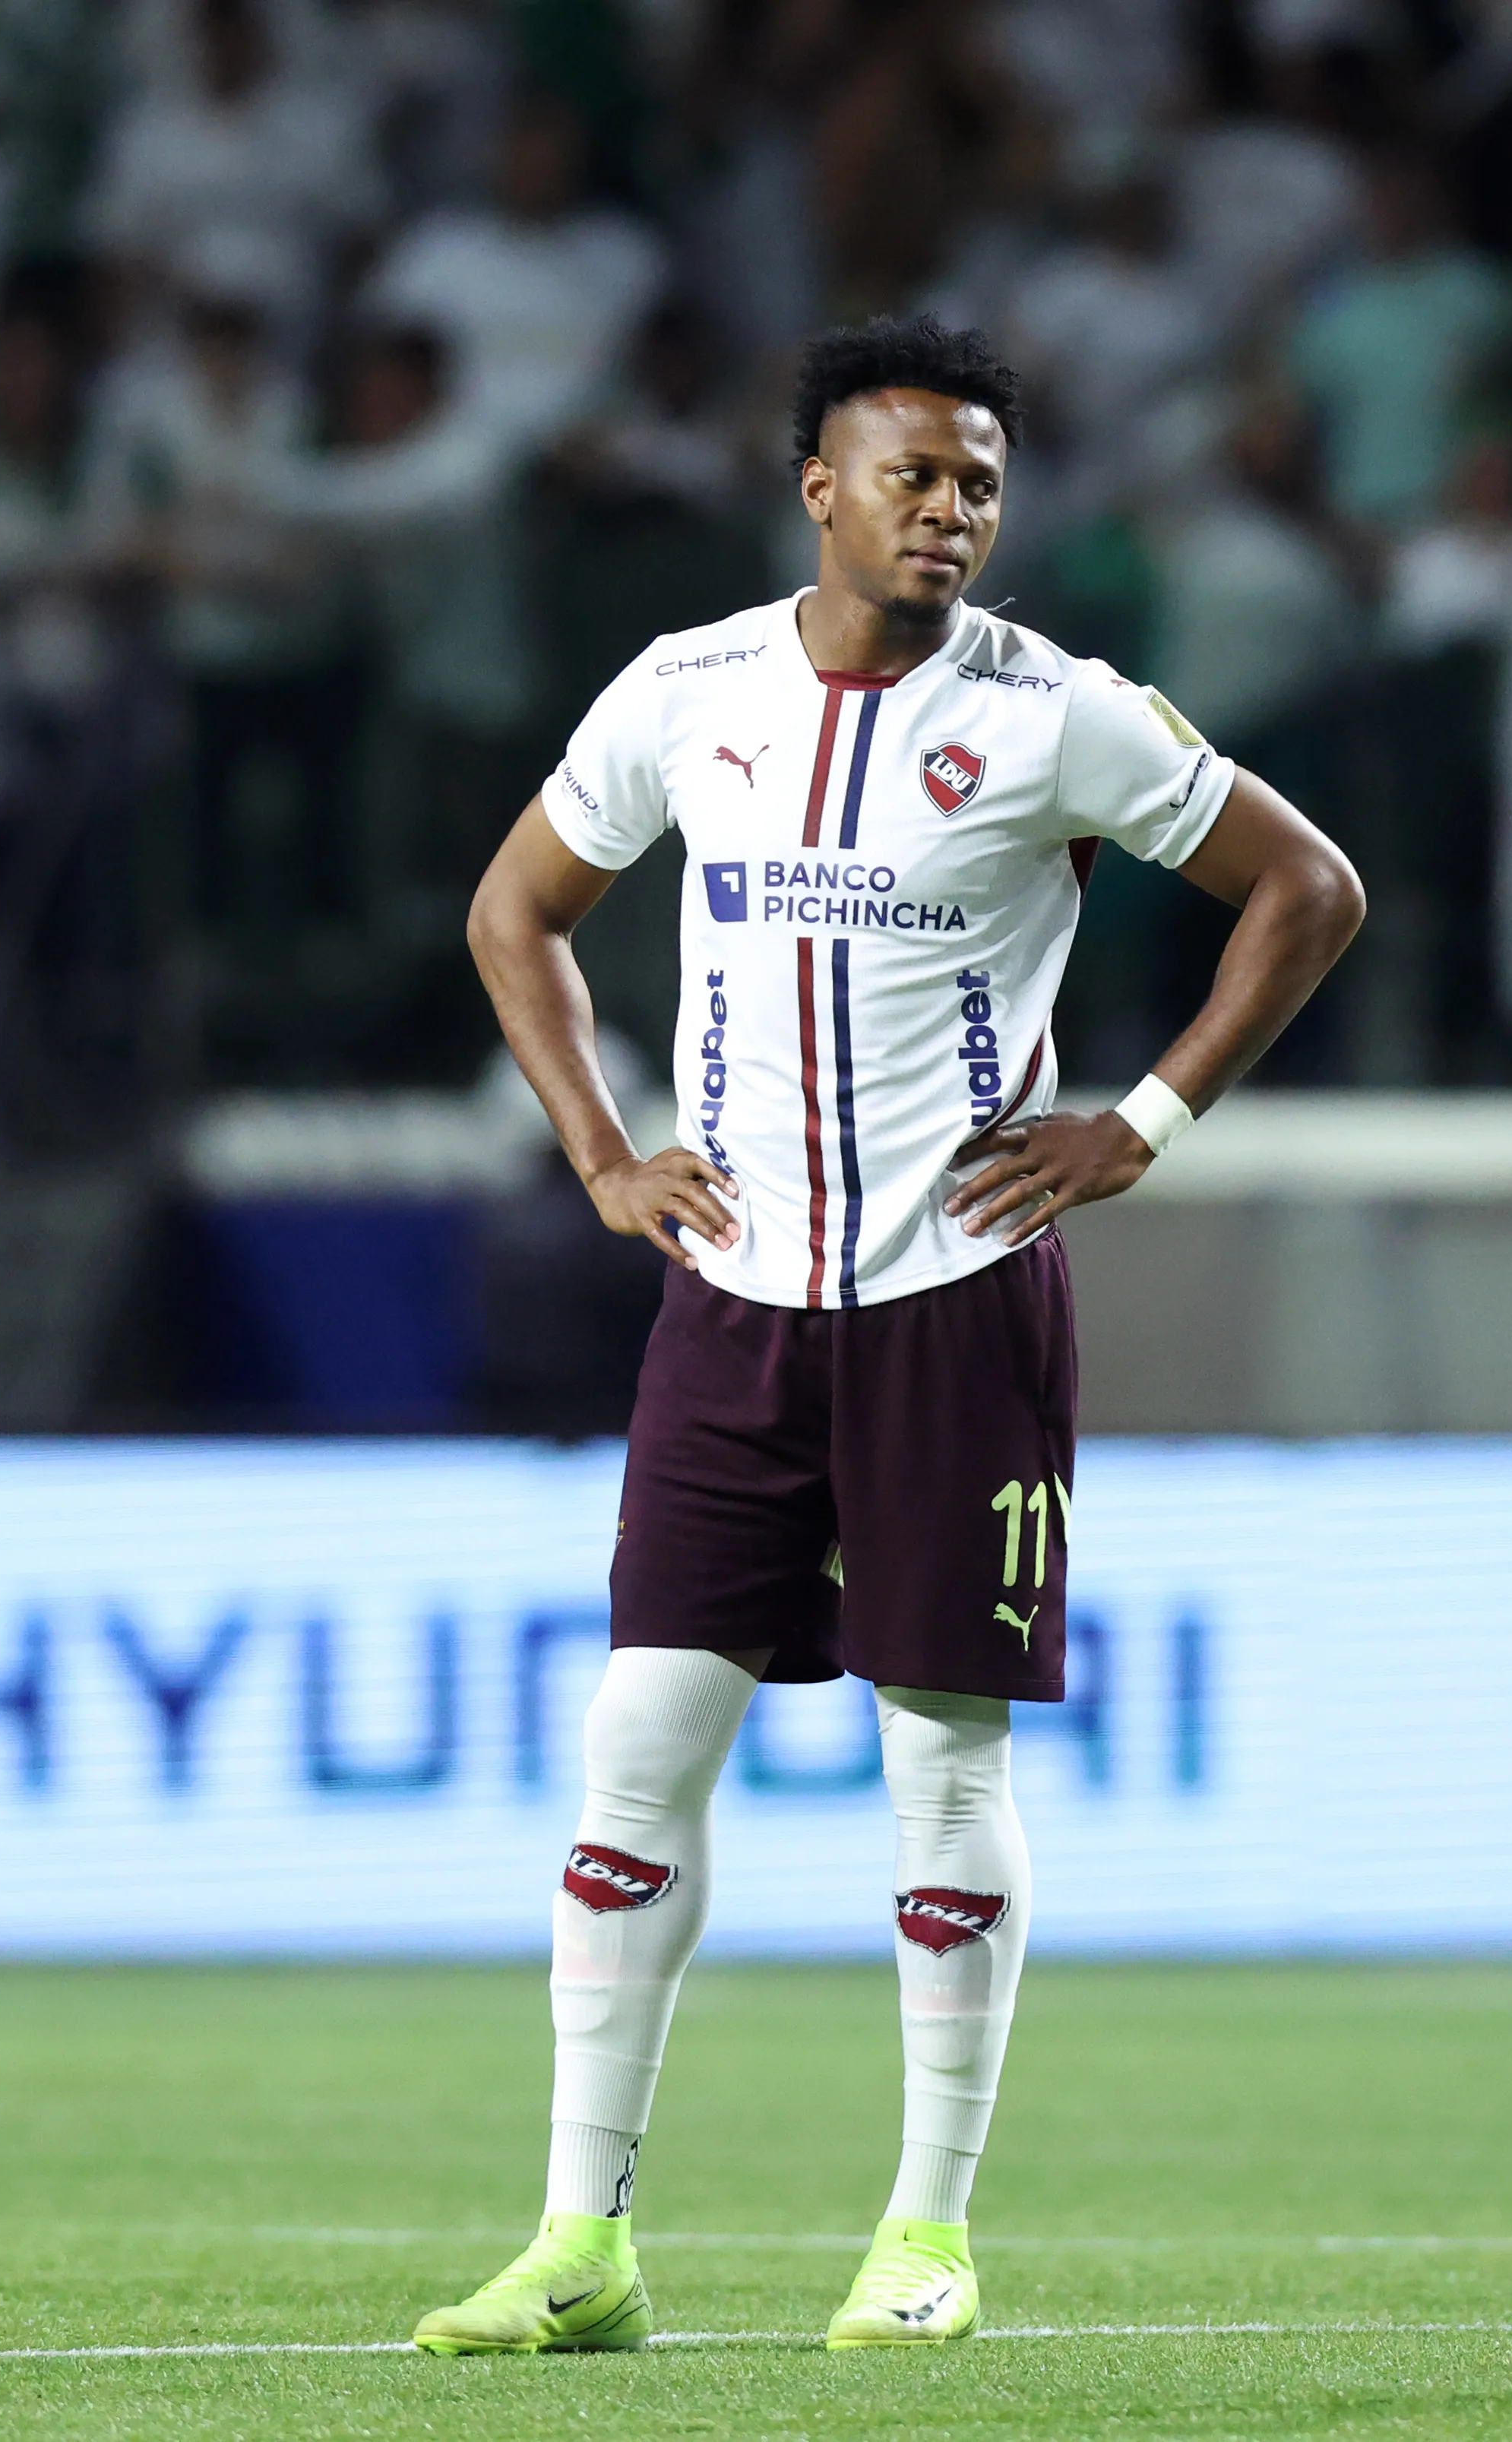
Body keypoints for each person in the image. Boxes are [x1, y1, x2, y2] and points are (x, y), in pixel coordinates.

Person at [419, 315, 1362, 2354]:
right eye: (916, 475)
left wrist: (1145, 1119)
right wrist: (599, 1150)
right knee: (637, 1750)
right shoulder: (688, 693)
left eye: (984, 483)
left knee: (940, 1757)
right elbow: (517, 913)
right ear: (817, 489)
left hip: (955, 1298)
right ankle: (581, 2238)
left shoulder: (1060, 715)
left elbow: (1307, 885)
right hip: (731, 1304)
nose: (954, 511)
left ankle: (924, 2230)